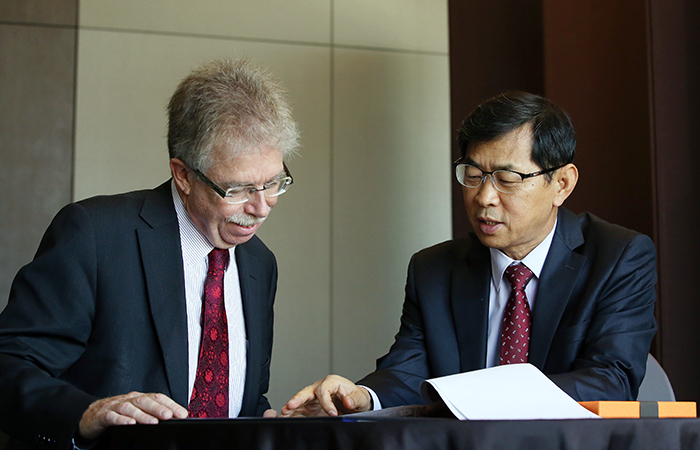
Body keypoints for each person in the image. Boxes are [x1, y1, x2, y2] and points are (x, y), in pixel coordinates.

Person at [280, 91, 657, 417]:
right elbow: (411, 370)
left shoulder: (618, 257)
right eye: (473, 175)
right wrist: (361, 396)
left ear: (561, 184)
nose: (484, 197)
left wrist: (481, 395)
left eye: (507, 180)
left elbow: (611, 378)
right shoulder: (434, 269)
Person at [0, 58, 299, 448]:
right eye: (238, 189)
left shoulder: (260, 264)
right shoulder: (94, 234)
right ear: (183, 175)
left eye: (274, 183)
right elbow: (9, 364)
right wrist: (85, 414)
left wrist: (274, 423)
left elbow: (240, 399)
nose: (261, 207)